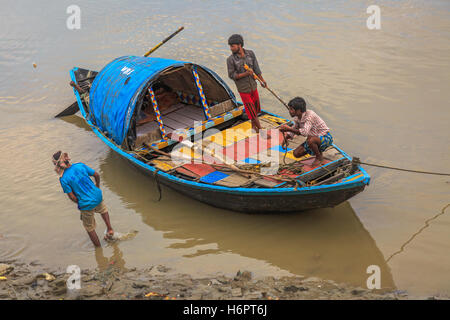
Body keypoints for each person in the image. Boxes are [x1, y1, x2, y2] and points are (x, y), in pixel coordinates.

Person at [52, 151, 114, 247]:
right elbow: (96, 175)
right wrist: (97, 186)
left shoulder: (63, 179)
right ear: (67, 158)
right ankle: (110, 229)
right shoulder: (80, 165)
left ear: (57, 166)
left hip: (86, 203)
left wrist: (80, 202)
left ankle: (98, 249)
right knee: (103, 210)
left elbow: (72, 197)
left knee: (89, 228)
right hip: (97, 196)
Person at [226, 34, 268, 136]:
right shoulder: (230, 60)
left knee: (256, 109)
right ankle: (262, 131)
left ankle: (254, 128)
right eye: (230, 46)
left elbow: (257, 69)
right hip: (243, 89)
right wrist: (246, 73)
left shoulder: (250, 54)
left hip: (253, 86)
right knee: (252, 112)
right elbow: (232, 75)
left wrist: (262, 81)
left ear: (239, 45)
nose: (231, 48)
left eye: (233, 46)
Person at [279, 97, 333, 167]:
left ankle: (319, 157)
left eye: (291, 109)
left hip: (325, 138)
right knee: (296, 153)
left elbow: (304, 133)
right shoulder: (297, 117)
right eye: (289, 109)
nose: (289, 111)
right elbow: (295, 128)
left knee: (311, 140)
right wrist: (286, 138)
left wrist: (288, 129)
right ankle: (318, 151)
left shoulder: (309, 116)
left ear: (299, 110)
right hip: (313, 138)